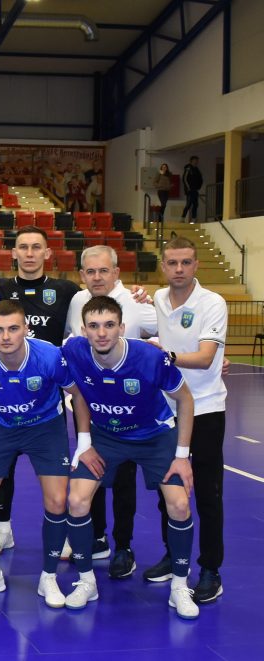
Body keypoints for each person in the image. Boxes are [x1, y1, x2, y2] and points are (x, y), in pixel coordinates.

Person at [61, 296, 199, 620]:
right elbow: (76, 394)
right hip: (106, 437)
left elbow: (185, 400)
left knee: (179, 505)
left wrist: (182, 456)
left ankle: (180, 586)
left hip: (155, 436)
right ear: (83, 330)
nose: (102, 333)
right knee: (77, 501)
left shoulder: (150, 357)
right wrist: (84, 442)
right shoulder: (74, 351)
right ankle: (86, 582)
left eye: (109, 325)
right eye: (94, 326)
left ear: (122, 328)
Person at [0, 301, 91, 605]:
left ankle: (48, 577)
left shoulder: (49, 356)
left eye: (13, 329)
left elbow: (78, 395)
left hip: (45, 427)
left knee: (57, 500)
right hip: (0, 427)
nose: (6, 336)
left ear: (26, 329)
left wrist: (84, 443)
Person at [141, 237, 227, 603]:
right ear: (163, 265)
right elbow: (136, 328)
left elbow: (206, 358)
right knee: (169, 491)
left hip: (206, 408)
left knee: (207, 493)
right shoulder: (158, 299)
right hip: (166, 410)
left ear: (196, 265)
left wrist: (165, 356)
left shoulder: (212, 302)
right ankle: (173, 556)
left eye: (186, 262)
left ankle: (210, 569)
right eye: (172, 263)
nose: (179, 269)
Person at [65, 245, 157, 575]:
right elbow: (70, 341)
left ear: (116, 272)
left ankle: (124, 546)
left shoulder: (137, 302)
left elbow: (168, 338)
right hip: (92, 407)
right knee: (93, 471)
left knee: (123, 481)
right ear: (82, 275)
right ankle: (97, 537)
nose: (97, 277)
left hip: (131, 412)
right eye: (90, 271)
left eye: (103, 270)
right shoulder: (78, 301)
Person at [0, 226, 79, 556]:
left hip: (47, 399)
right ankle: (2, 529)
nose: (29, 253)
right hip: (5, 397)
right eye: (23, 247)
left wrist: (135, 294)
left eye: (36, 247)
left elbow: (98, 312)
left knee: (54, 474)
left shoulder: (67, 290)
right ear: (13, 253)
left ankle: (62, 531)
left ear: (47, 253)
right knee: (4, 469)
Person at [180, 156, 203, 223]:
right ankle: (182, 218)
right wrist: (188, 188)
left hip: (195, 190)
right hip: (190, 190)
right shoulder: (188, 168)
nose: (196, 162)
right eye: (195, 160)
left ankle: (193, 219)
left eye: (197, 160)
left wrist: (198, 187)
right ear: (191, 161)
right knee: (188, 204)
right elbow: (185, 178)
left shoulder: (197, 170)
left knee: (195, 204)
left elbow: (200, 179)